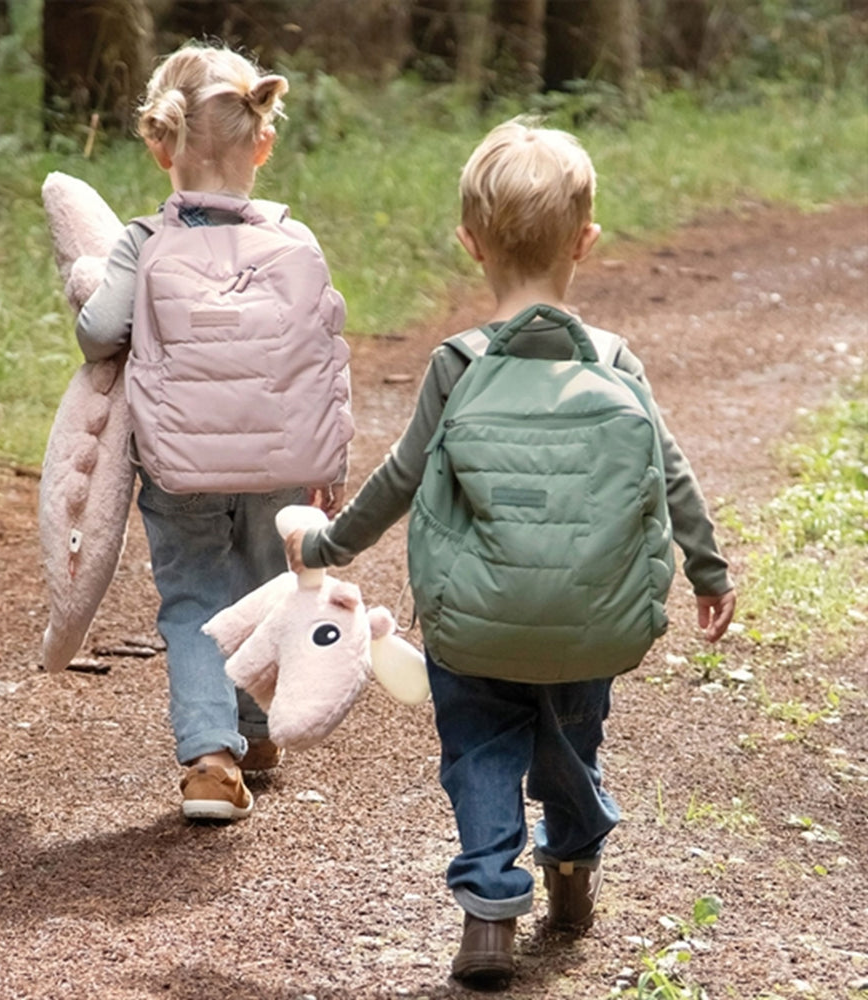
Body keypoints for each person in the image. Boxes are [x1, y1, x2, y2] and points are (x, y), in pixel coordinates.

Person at [284, 118, 736, 987]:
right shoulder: (615, 360)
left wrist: (329, 543)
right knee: (569, 744)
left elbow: (402, 477)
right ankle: (572, 865)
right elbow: (669, 471)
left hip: (474, 621)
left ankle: (490, 912)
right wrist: (708, 571)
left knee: (482, 750)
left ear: (470, 244)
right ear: (586, 241)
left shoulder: (459, 363)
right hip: (590, 619)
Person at [75, 43, 348, 823]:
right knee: (267, 584)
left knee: (195, 594)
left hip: (179, 463)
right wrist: (329, 461)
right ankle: (256, 731)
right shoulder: (295, 240)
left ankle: (210, 756)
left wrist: (91, 286)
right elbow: (324, 357)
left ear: (160, 144)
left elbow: (100, 333)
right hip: (280, 462)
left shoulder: (143, 242)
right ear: (264, 143)